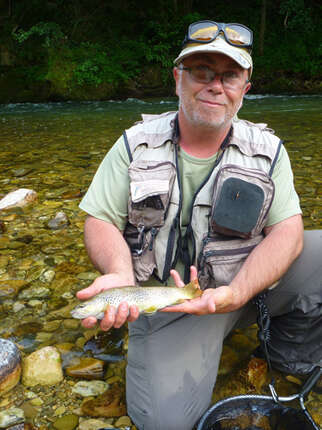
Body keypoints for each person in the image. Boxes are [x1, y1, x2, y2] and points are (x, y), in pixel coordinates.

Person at [77, 20, 322, 430]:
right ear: (178, 79)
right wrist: (120, 276)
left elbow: (288, 233)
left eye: (229, 75)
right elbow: (100, 218)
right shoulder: (134, 144)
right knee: (164, 421)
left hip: (247, 286)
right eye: (202, 72)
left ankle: (288, 356)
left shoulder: (269, 151)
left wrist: (239, 291)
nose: (215, 85)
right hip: (171, 304)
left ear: (245, 88)